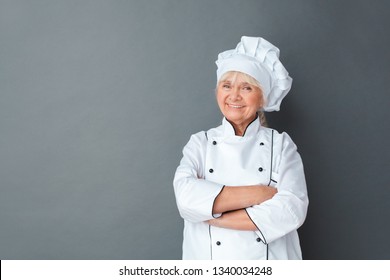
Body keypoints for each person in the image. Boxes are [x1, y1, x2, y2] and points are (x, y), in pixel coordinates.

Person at [173, 36, 309, 260]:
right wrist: (260, 194)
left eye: (246, 87)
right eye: (226, 86)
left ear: (262, 97)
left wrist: (213, 216)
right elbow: (186, 199)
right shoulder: (200, 143)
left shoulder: (281, 145)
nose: (234, 96)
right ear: (218, 92)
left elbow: (291, 210)